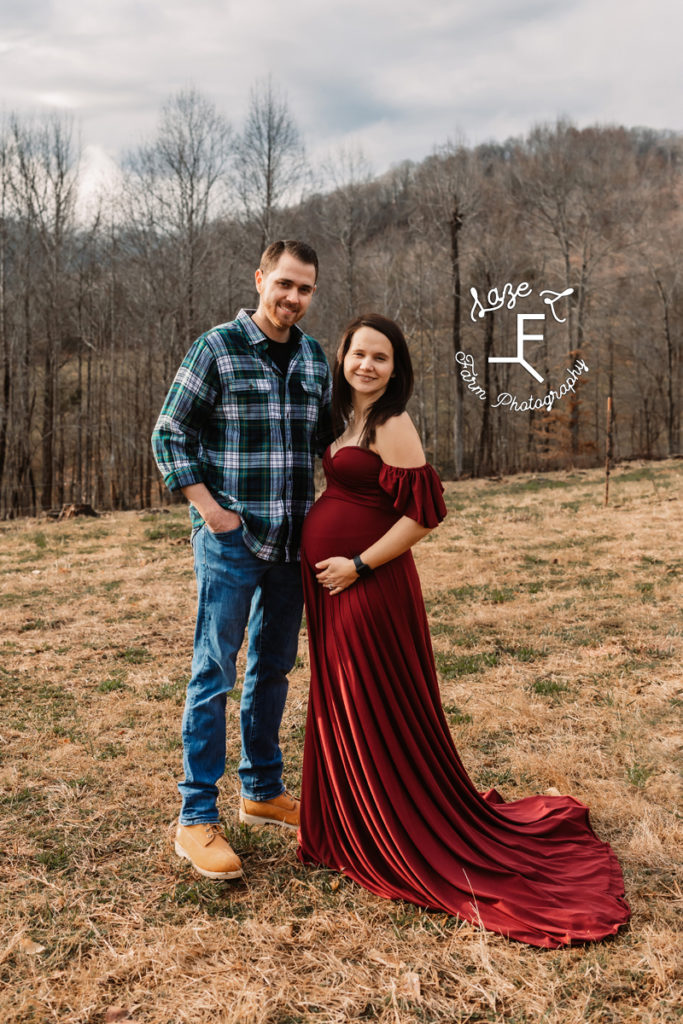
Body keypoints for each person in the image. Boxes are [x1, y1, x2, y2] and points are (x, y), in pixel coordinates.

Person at [296, 312, 631, 948]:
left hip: (368, 585)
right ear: (342, 357)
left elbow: (425, 514)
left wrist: (360, 563)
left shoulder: (392, 424)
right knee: (344, 701)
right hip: (333, 588)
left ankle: (394, 825)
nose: (368, 365)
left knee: (373, 702)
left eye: (381, 358)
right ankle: (353, 822)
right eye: (359, 354)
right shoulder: (346, 419)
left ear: (397, 370)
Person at [152, 240, 333, 880]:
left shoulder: (314, 359)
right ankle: (196, 818)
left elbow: (330, 443)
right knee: (214, 673)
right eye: (284, 283)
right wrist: (211, 510)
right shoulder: (217, 349)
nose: (293, 297)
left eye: (305, 289)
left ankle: (260, 790)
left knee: (274, 668)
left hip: (292, 544)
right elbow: (168, 433)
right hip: (231, 540)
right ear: (260, 278)